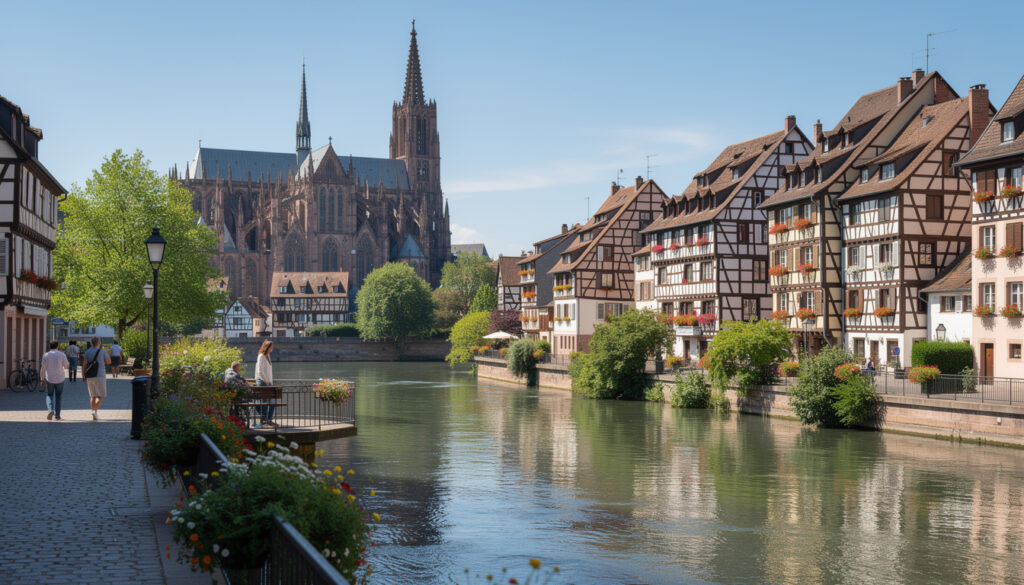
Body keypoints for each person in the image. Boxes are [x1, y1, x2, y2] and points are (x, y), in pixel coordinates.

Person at [83, 336, 111, 420]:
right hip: (100, 375)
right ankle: (94, 411)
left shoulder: (87, 351)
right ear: (99, 343)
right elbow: (109, 362)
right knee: (101, 396)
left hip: (90, 375)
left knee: (93, 395)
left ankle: (94, 412)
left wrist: (83, 375)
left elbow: (84, 364)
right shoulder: (102, 351)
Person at [40, 341, 69, 421]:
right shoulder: (62, 354)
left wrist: (42, 379)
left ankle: (50, 410)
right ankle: (57, 416)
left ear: (50, 346)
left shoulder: (46, 355)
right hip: (60, 379)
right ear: (57, 346)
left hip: (50, 379)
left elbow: (43, 368)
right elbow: (66, 366)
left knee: (49, 395)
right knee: (58, 396)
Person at [254, 340, 274, 428]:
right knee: (264, 402)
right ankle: (264, 420)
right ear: (267, 347)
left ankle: (267, 419)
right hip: (263, 382)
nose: (272, 348)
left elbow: (268, 371)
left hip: (268, 382)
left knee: (271, 402)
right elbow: (260, 371)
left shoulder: (268, 356)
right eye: (271, 347)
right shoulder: (261, 356)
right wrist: (266, 381)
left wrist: (270, 381)